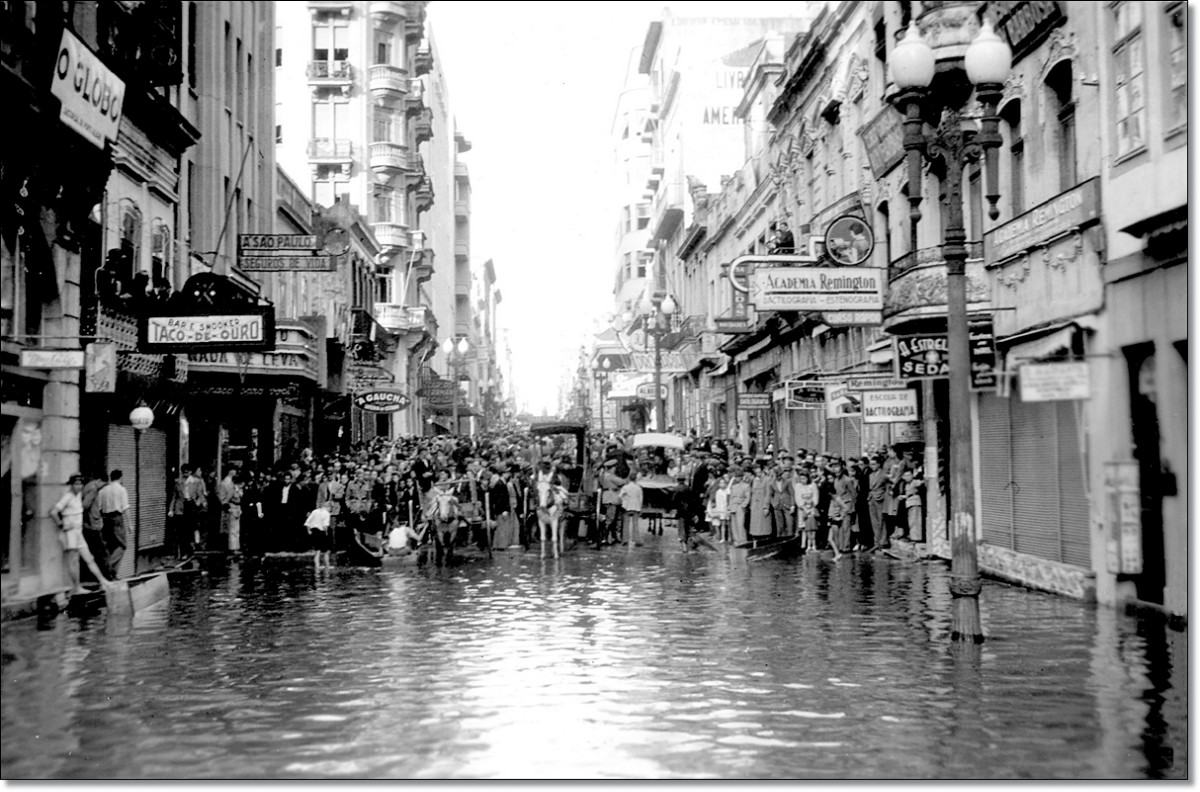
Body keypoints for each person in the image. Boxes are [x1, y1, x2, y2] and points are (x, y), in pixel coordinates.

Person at [50, 475, 115, 595]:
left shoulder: (78, 495)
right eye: (76, 484)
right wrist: (61, 525)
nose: (78, 487)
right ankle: (76, 587)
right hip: (70, 534)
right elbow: (54, 512)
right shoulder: (67, 497)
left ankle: (103, 581)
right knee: (74, 561)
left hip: (78, 532)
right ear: (71, 485)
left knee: (89, 558)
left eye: (80, 484)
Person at [96, 469, 130, 576]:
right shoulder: (121, 490)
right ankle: (108, 566)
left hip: (106, 519)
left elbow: (99, 508)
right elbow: (125, 508)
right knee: (122, 545)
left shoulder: (102, 490)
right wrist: (130, 524)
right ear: (121, 477)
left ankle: (112, 574)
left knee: (111, 546)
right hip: (117, 519)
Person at [867, 456, 889, 551]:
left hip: (880, 498)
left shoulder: (884, 474)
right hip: (871, 498)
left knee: (881, 520)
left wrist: (885, 495)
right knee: (874, 522)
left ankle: (883, 541)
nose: (872, 466)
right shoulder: (870, 475)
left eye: (874, 464)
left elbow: (889, 486)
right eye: (871, 464)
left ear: (879, 464)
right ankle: (876, 542)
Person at [304, 504, 333, 569]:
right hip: (321, 532)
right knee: (326, 551)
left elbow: (307, 522)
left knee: (317, 551)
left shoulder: (315, 511)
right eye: (330, 509)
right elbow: (325, 525)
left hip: (314, 531)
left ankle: (317, 566)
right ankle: (327, 566)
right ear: (328, 507)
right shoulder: (327, 513)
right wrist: (327, 533)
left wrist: (309, 531)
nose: (330, 511)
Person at [618, 475, 643, 548]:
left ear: (629, 479)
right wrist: (640, 507)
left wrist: (624, 501)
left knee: (626, 523)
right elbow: (640, 499)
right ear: (635, 479)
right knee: (635, 524)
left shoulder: (625, 487)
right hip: (636, 507)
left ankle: (625, 540)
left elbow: (620, 496)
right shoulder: (638, 488)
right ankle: (636, 539)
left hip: (627, 506)